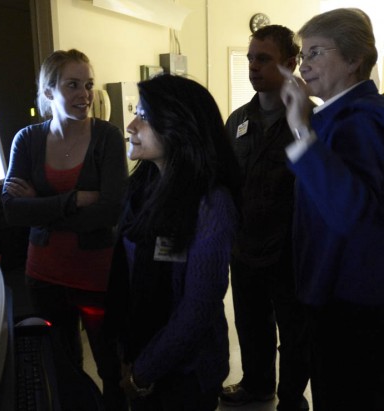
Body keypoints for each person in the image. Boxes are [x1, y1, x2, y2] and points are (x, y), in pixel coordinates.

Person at [104, 73, 240, 411]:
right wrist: (126, 355)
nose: (131, 125)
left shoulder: (211, 204)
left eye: (145, 117)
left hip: (186, 374)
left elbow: (197, 309)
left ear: (180, 128)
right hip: (138, 349)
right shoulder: (143, 188)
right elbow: (126, 281)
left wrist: (143, 373)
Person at [1, 48, 129, 410]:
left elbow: (111, 210)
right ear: (48, 93)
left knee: (111, 366)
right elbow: (11, 210)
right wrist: (73, 200)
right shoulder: (27, 139)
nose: (84, 95)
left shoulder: (106, 137)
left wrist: (39, 205)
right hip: (44, 276)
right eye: (72, 85)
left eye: (88, 85)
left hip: (97, 276)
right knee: (62, 367)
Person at [278, 8, 384, 411]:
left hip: (353, 302)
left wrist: (302, 130)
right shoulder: (334, 115)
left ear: (355, 59)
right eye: (303, 56)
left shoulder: (361, 119)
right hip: (334, 294)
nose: (305, 66)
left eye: (317, 53)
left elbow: (354, 216)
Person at [219, 25, 310, 411]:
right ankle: (257, 386)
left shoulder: (309, 119)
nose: (253, 67)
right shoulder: (239, 120)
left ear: (291, 64)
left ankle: (291, 398)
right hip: (245, 246)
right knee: (251, 323)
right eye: (250, 58)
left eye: (264, 59)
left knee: (294, 331)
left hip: (291, 250)